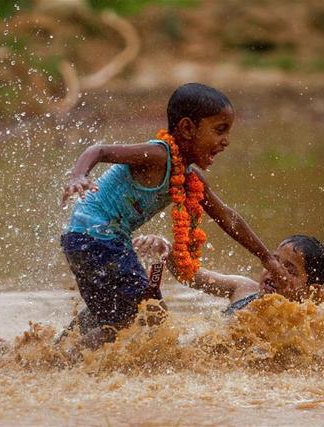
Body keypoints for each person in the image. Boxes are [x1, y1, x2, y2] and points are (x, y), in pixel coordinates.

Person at [59, 83, 292, 350]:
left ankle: (50, 356)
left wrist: (266, 257)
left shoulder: (188, 178)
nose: (226, 141)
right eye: (219, 130)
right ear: (187, 129)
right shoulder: (159, 155)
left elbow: (228, 217)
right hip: (99, 239)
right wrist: (78, 176)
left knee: (120, 317)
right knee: (150, 318)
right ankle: (70, 360)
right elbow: (99, 151)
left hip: (83, 242)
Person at [132, 233, 324, 314]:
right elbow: (190, 276)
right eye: (275, 262)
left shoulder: (305, 324)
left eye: (289, 270)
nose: (275, 273)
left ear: (311, 291)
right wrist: (165, 248)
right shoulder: (243, 288)